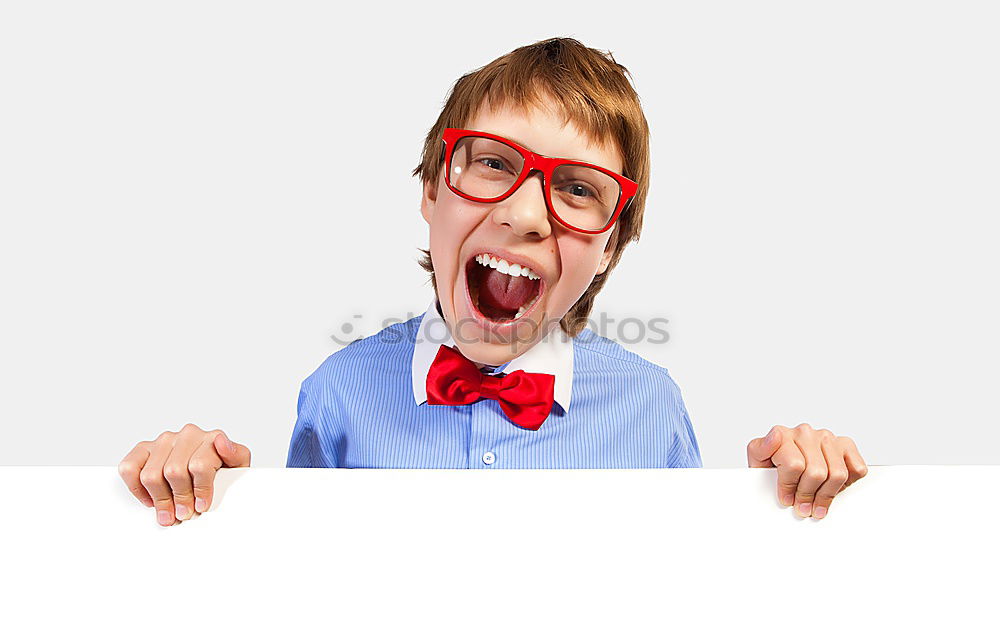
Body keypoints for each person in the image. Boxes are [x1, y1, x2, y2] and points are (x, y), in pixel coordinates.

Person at [119, 37, 868, 527]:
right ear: (430, 193)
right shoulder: (338, 392)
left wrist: (789, 497)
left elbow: (692, 608)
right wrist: (204, 495)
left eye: (577, 189)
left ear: (609, 246)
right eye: (493, 164)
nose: (524, 213)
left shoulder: (651, 405)